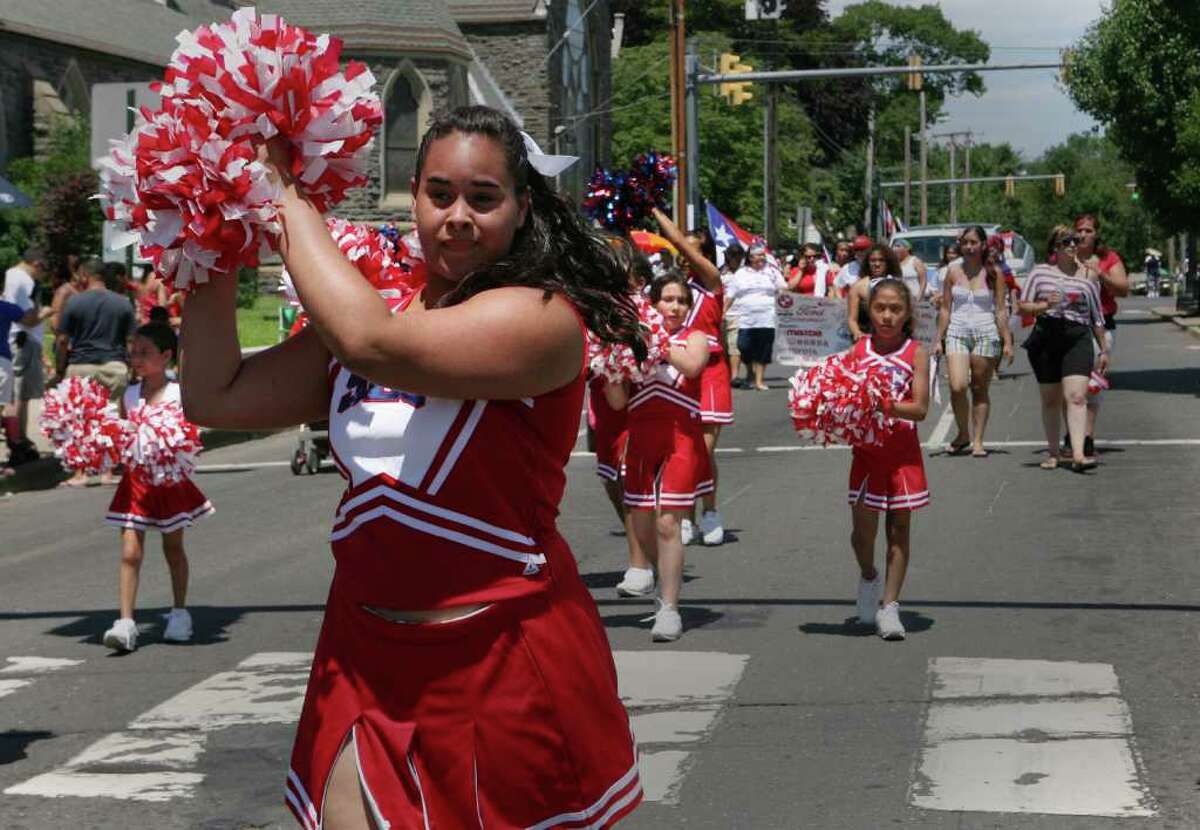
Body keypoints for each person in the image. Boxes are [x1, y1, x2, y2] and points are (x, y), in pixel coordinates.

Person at [182, 106, 643, 829]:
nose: (457, 217)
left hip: (496, 664)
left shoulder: (541, 318)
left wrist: (282, 191)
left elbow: (373, 343)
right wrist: (211, 228)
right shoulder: (388, 307)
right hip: (362, 655)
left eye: (483, 198)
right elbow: (217, 394)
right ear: (415, 197)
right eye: (439, 194)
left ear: (523, 210)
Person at [604, 272, 710, 641]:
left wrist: (657, 341)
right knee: (643, 525)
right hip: (641, 438)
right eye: (667, 299)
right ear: (653, 303)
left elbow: (693, 366)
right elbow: (618, 403)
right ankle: (662, 580)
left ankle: (669, 608)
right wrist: (610, 367)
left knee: (668, 523)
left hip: (681, 438)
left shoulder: (694, 337)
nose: (675, 306)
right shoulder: (635, 344)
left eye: (681, 300)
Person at [101, 323, 213, 652]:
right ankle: (125, 622)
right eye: (133, 353)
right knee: (130, 552)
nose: (136, 359)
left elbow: (191, 438)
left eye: (144, 353)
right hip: (135, 483)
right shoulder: (129, 395)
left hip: (169, 483)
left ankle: (179, 614)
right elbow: (123, 436)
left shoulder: (180, 394)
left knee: (173, 550)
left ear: (166, 356)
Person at [848, 278, 930, 640]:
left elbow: (921, 408)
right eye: (880, 307)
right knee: (862, 536)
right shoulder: (857, 350)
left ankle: (890, 606)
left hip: (903, 455)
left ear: (907, 313)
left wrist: (886, 405)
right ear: (869, 310)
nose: (887, 315)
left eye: (895, 309)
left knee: (899, 529)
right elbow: (841, 399)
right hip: (867, 455)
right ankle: (869, 575)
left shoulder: (917, 352)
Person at [652, 208, 732, 546]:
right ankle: (682, 513)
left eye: (694, 250)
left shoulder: (713, 285)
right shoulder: (670, 294)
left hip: (711, 370)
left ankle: (709, 511)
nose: (687, 257)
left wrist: (658, 212)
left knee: (702, 448)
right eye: (684, 252)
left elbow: (682, 248)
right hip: (677, 369)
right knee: (678, 446)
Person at [1018, 226, 1109, 473]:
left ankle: (1078, 454)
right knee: (1050, 399)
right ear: (1055, 248)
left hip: (1077, 337)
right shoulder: (1040, 274)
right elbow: (1022, 307)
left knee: (1077, 397)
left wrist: (1103, 350)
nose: (1072, 245)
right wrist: (1045, 304)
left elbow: (1097, 317)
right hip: (1046, 336)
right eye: (1066, 241)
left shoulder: (1087, 278)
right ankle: (1053, 452)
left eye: (1076, 241)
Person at [55, 258, 136, 486]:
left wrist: (61, 367)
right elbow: (130, 340)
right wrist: (131, 365)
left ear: (84, 275)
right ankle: (108, 471)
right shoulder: (122, 303)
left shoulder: (74, 302)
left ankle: (81, 473)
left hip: (81, 364)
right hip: (114, 365)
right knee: (110, 418)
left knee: (80, 419)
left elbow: (62, 340)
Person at [934, 226, 1013, 457]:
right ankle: (963, 433)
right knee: (957, 386)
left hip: (985, 332)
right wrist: (939, 339)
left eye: (973, 243)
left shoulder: (994, 273)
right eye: (965, 243)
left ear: (982, 245)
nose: (969, 247)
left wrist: (1007, 341)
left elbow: (1000, 310)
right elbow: (946, 309)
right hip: (957, 331)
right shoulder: (952, 271)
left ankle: (978, 440)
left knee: (979, 388)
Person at [1070, 214, 1128, 462]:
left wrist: (1100, 274)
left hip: (1101, 327)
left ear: (1096, 234)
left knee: (1092, 384)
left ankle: (1087, 437)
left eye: (1088, 230)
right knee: (1072, 384)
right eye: (1079, 230)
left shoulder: (1108, 258)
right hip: (1070, 326)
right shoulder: (1065, 257)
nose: (1083, 234)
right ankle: (1074, 434)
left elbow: (1123, 288)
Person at [2, 246, 49, 467]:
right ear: (37, 264)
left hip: (18, 341)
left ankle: (19, 437)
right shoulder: (24, 280)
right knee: (20, 394)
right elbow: (27, 318)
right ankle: (17, 440)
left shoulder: (13, 276)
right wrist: (49, 312)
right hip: (24, 340)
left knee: (20, 393)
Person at [724, 243, 785, 391]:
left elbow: (784, 288)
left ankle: (759, 381)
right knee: (743, 346)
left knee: (763, 350)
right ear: (750, 258)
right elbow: (730, 295)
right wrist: (723, 311)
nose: (761, 258)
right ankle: (750, 370)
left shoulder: (772, 271)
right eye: (758, 255)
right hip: (746, 320)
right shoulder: (741, 273)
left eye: (763, 255)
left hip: (767, 318)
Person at [0, 292, 41, 476]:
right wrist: (40, 307)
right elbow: (30, 320)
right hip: (2, 362)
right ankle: (16, 446)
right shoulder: (7, 307)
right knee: (5, 407)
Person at [847, 243, 902, 342]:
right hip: (866, 339)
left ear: (888, 262)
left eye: (881, 260)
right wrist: (857, 333)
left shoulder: (898, 285)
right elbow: (852, 320)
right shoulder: (858, 287)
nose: (877, 264)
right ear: (867, 263)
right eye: (873, 260)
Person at [719, 242, 745, 386]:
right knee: (723, 347)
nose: (735, 259)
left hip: (739, 313)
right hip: (721, 314)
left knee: (734, 346)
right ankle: (725, 374)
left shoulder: (745, 273)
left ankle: (734, 376)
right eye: (732, 256)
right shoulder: (720, 272)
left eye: (738, 256)